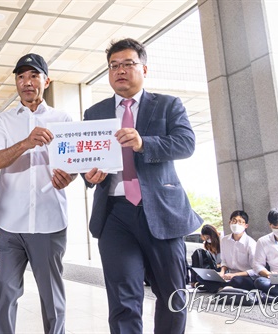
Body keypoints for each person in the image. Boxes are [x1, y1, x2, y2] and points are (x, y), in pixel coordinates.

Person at [82, 38, 202, 334]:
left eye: (128, 63)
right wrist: (89, 175)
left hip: (161, 212)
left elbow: (186, 144)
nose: (120, 70)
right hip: (114, 215)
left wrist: (142, 143)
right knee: (123, 300)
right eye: (114, 65)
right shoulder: (94, 114)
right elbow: (86, 160)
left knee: (172, 296)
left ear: (144, 68)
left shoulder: (168, 105)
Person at [0, 53, 75, 334]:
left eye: (33, 75)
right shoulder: (3, 120)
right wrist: (26, 142)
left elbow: (73, 164)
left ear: (46, 81)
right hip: (10, 224)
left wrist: (69, 177)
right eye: (21, 76)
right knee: (4, 294)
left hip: (49, 222)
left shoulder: (63, 119)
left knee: (53, 301)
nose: (27, 82)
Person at [196, 211, 257, 292]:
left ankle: (220, 288)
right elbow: (224, 261)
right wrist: (222, 272)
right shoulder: (225, 240)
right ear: (229, 222)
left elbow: (255, 270)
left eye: (240, 222)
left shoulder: (251, 243)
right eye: (234, 221)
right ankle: (222, 289)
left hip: (244, 276)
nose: (236, 224)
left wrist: (234, 275)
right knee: (201, 276)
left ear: (246, 225)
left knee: (237, 280)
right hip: (228, 276)